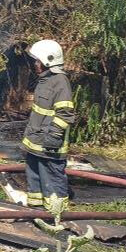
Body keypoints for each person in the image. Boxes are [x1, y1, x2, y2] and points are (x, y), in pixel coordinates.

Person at [21, 39, 75, 210]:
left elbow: (65, 113)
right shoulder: (44, 81)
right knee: (34, 178)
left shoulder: (60, 82)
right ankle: (35, 211)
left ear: (47, 61)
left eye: (37, 61)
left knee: (52, 178)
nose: (35, 64)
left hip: (50, 145)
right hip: (36, 143)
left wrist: (54, 136)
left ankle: (56, 214)